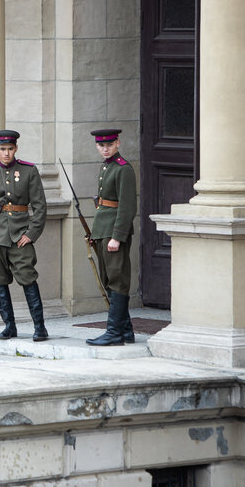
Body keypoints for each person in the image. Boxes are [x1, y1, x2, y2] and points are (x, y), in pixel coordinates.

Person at [0, 130, 48, 341]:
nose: (6, 153)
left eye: (10, 149)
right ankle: (9, 326)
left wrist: (32, 233)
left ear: (15, 148)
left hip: (20, 235)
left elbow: (40, 206)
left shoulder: (28, 171)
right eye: (2, 149)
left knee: (28, 278)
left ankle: (39, 327)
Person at [85, 129, 137, 346]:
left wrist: (117, 236)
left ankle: (114, 333)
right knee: (108, 279)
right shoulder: (107, 166)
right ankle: (126, 331)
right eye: (101, 145)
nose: (105, 148)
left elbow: (127, 207)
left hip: (114, 232)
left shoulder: (124, 169)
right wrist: (97, 233)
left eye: (109, 144)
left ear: (118, 143)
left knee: (117, 281)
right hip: (103, 230)